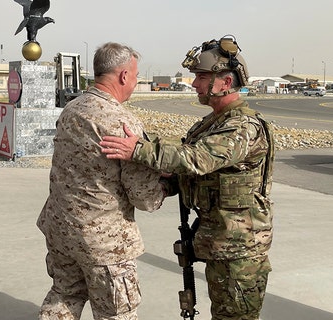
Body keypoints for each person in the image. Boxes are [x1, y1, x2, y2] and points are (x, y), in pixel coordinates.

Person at [99, 35, 275, 320]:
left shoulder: (243, 126)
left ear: (226, 83)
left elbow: (197, 159)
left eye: (202, 77)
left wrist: (138, 150)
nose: (195, 84)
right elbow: (185, 161)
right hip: (220, 242)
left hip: (240, 250)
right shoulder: (213, 122)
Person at [37, 42, 167, 320]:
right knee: (117, 312)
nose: (135, 81)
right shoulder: (122, 122)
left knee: (64, 295)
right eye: (135, 75)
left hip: (61, 228)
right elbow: (144, 197)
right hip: (104, 242)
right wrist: (166, 184)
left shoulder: (72, 109)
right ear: (123, 76)